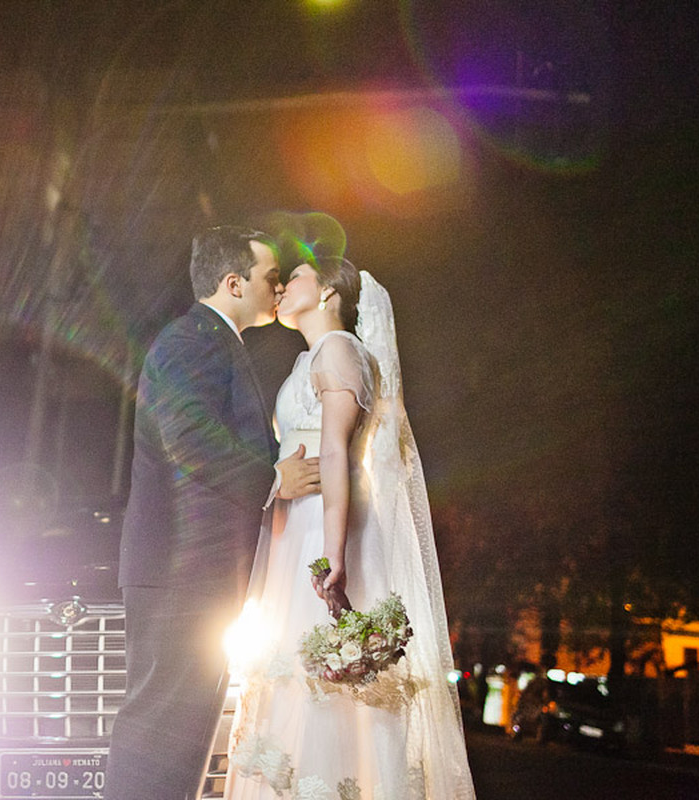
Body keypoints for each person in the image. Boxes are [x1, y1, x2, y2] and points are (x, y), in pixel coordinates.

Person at [224, 247, 475, 799]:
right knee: (296, 668)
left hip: (323, 524)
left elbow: (336, 453)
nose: (284, 286)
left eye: (296, 277)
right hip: (296, 523)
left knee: (327, 678)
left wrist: (333, 554)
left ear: (330, 291)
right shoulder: (306, 359)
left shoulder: (339, 350)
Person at [105, 226, 322, 800]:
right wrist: (275, 476)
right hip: (179, 573)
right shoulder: (192, 339)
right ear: (234, 283)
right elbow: (189, 438)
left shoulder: (214, 341)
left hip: (193, 575)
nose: (277, 290)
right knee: (159, 732)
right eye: (270, 278)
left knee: (182, 736)